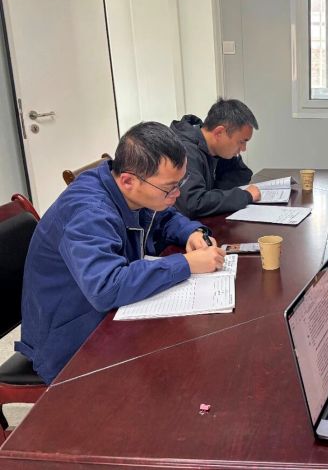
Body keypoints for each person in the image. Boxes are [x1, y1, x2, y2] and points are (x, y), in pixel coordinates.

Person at [17, 122, 226, 384]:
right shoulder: (88, 213)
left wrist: (192, 232)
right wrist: (185, 263)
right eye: (169, 187)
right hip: (70, 338)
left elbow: (164, 216)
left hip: (107, 316)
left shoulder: (132, 189)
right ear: (128, 180)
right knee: (174, 377)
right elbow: (106, 287)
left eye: (180, 183)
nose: (177, 193)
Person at [172, 98, 261, 218]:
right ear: (219, 133)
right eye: (241, 142)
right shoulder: (185, 151)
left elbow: (243, 174)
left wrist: (214, 195)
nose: (243, 148)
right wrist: (244, 196)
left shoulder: (217, 149)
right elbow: (192, 204)